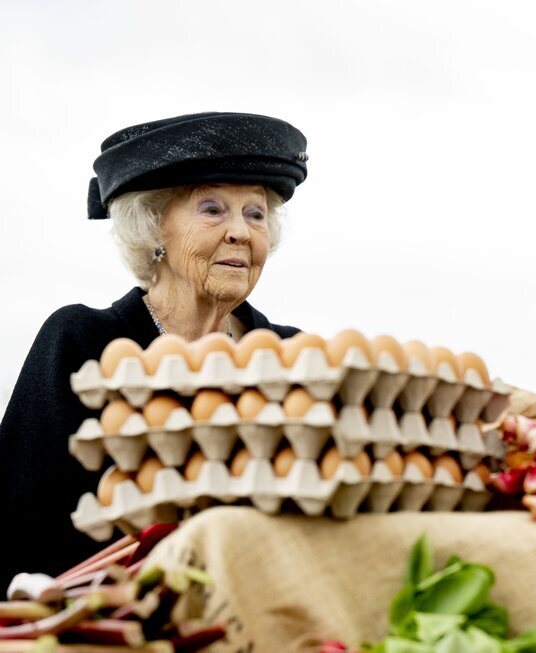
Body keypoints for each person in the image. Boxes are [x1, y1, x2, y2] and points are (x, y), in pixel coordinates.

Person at [0, 112, 309, 590]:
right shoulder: (82, 343)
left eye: (256, 214)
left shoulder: (293, 357)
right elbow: (16, 527)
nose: (241, 233)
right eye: (212, 209)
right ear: (153, 228)